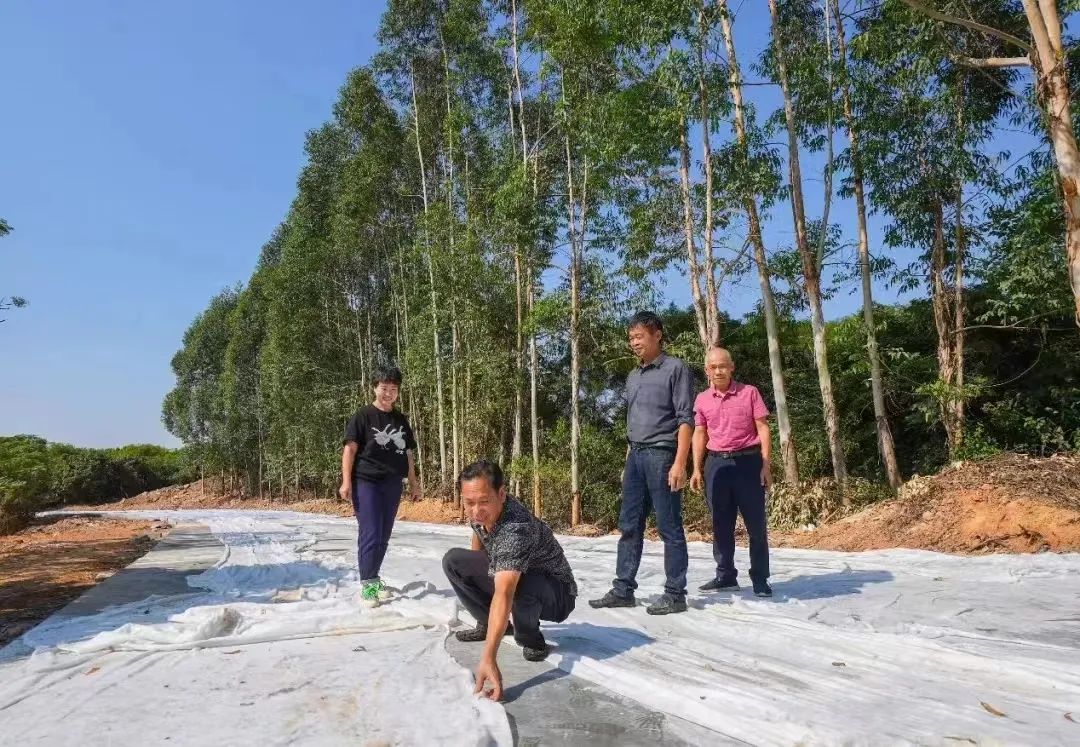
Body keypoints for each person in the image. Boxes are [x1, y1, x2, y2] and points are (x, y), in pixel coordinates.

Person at [442, 460, 577, 701]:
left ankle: (531, 639)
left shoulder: (516, 528)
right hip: (521, 575)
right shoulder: (480, 511)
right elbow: (478, 536)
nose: (476, 511)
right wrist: (476, 573)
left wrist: (488, 657)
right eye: (469, 502)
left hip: (557, 593)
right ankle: (489, 623)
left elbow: (504, 592)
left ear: (501, 494)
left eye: (483, 501)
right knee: (454, 561)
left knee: (519, 584)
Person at [590, 311, 695, 615]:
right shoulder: (633, 376)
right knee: (629, 525)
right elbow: (633, 421)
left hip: (662, 454)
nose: (634, 342)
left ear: (657, 335)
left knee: (669, 526)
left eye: (639, 336)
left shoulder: (676, 368)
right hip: (635, 456)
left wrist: (680, 463)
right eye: (631, 337)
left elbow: (686, 419)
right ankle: (623, 589)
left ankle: (675, 594)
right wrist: (628, 461)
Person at [689, 347, 774, 597]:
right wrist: (696, 469)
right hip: (716, 465)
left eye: (723, 366)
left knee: (756, 525)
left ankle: (760, 578)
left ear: (732, 367)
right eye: (713, 367)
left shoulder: (749, 393)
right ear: (707, 370)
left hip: (748, 464)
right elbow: (699, 433)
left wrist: (766, 465)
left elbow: (763, 428)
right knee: (720, 524)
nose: (718, 371)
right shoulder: (702, 399)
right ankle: (725, 576)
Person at [339, 366, 421, 606]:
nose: (388, 393)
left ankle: (373, 578)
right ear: (375, 388)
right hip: (367, 481)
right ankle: (368, 586)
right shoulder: (363, 416)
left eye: (393, 389)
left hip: (392, 483)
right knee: (371, 532)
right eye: (384, 388)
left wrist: (414, 483)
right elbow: (350, 450)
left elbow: (408, 454)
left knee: (383, 535)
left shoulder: (400, 420)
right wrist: (346, 481)